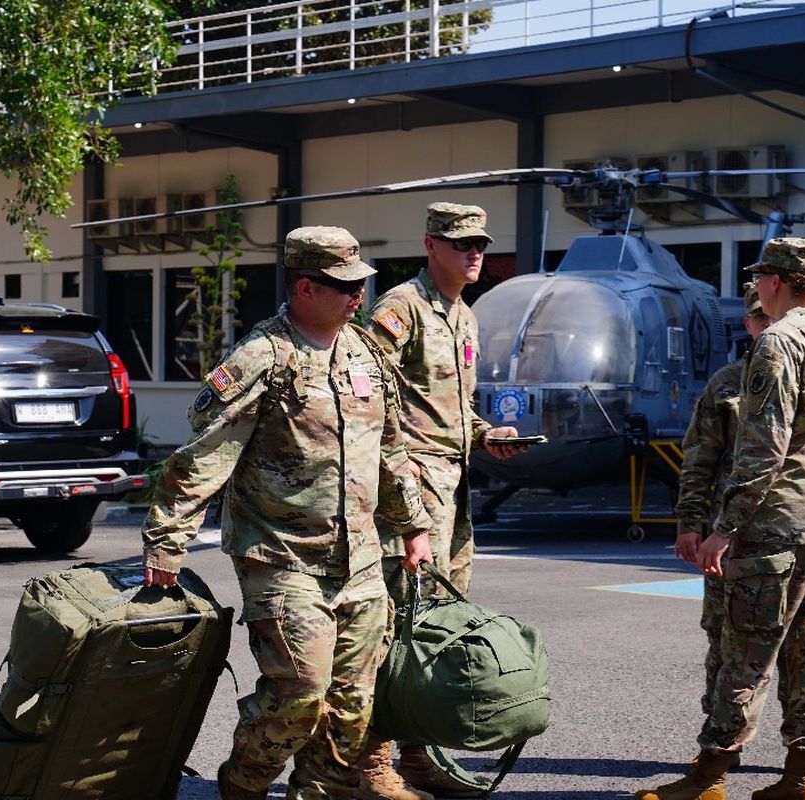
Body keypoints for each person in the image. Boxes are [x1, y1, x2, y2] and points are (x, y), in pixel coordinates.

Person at [141, 226, 434, 800]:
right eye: (344, 285)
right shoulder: (263, 358)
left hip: (362, 559)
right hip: (282, 556)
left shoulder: (366, 353)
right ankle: (245, 783)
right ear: (305, 287)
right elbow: (205, 456)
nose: (359, 296)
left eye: (361, 284)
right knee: (300, 692)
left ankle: (319, 793)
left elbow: (391, 447)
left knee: (351, 705)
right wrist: (167, 540)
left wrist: (414, 525)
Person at [638, 238, 805, 800]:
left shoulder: (777, 342)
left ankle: (708, 777)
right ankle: (799, 775)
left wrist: (725, 528)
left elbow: (762, 448)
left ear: (774, 281)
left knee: (745, 650)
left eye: (760, 280)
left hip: (779, 522)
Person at [357, 202, 526, 800]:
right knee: (394, 624)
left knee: (436, 626)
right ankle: (371, 765)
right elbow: (369, 403)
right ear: (430, 246)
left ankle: (418, 756)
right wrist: (401, 492)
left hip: (453, 487)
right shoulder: (400, 308)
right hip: (410, 487)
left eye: (479, 243)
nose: (474, 254)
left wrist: (487, 436)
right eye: (461, 245)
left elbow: (454, 410)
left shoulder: (465, 316)